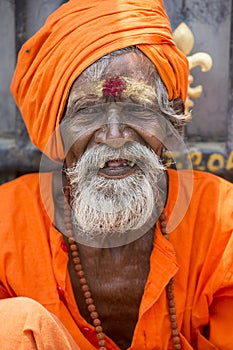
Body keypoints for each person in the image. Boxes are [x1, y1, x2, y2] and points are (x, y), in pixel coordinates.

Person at [0, 0, 232, 349]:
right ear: (57, 131)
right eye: (86, 112)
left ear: (173, 123)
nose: (113, 135)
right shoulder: (6, 225)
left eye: (136, 108)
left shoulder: (223, 225)